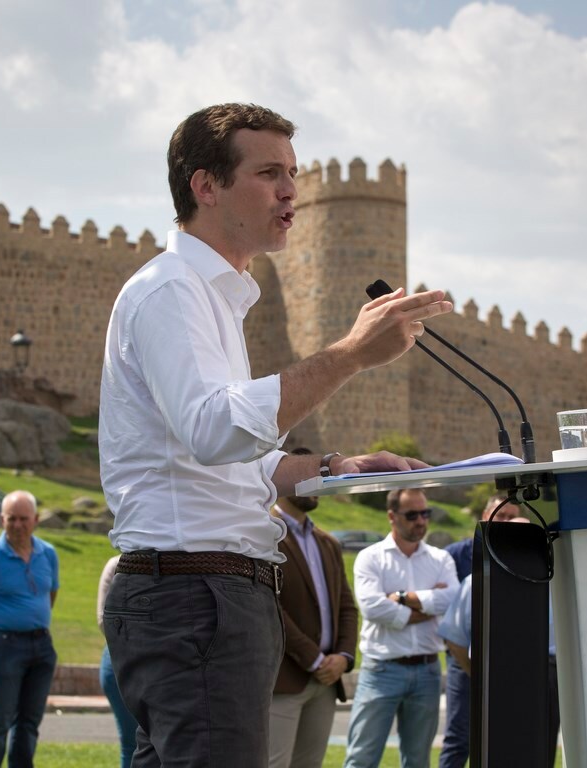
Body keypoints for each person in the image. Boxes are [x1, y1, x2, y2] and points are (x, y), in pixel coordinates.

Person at [98, 102, 452, 768]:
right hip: (193, 595)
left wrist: (331, 466)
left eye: (293, 172)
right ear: (205, 186)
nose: (292, 191)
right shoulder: (171, 292)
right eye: (269, 173)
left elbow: (229, 464)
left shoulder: (212, 299)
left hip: (205, 593)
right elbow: (211, 431)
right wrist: (349, 354)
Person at [343, 488, 458, 768]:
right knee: (362, 758)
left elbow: (452, 600)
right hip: (382, 670)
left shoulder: (440, 559)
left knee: (418, 761)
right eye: (412, 515)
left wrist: (403, 598)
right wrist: (427, 603)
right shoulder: (371, 557)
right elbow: (372, 607)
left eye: (425, 513)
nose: (421, 520)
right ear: (392, 517)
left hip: (428, 671)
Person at [437, 515, 560, 768]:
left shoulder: (557, 586)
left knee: (540, 752)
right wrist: (480, 676)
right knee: (486, 750)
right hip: (493, 679)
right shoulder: (475, 584)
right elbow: (455, 638)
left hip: (545, 682)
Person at [268, 447, 359, 768]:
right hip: (285, 680)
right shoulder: (265, 536)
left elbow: (347, 607)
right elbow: (271, 609)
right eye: (307, 475)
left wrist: (343, 658)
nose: (316, 483)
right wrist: (314, 658)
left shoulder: (328, 542)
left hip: (325, 683)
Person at [0, 490, 59, 768]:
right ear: (1, 519)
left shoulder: (48, 554)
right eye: (11, 519)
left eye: (23, 519)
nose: (18, 525)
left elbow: (49, 595)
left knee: (29, 723)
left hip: (41, 646)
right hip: (4, 646)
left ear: (36, 520)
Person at [97, 556, 138, 768]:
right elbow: (104, 621)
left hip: (159, 665)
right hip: (119, 664)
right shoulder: (115, 565)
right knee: (133, 744)